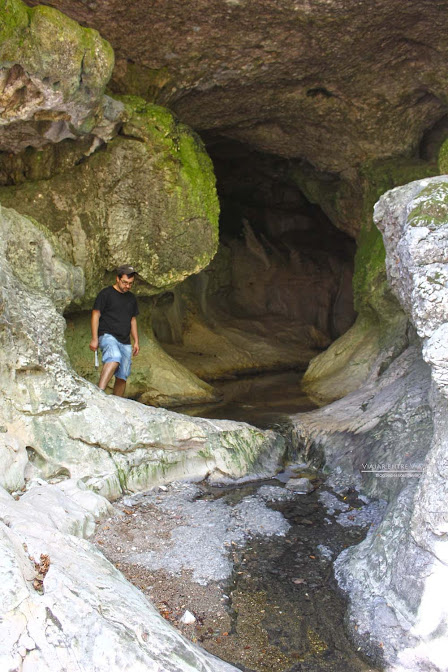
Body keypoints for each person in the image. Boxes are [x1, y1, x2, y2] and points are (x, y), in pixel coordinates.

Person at [89, 265, 140, 397]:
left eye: (130, 284)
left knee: (123, 375)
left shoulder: (131, 298)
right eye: (125, 282)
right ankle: (99, 394)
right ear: (117, 279)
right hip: (107, 335)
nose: (127, 286)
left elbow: (132, 320)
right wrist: (94, 338)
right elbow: (96, 315)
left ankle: (118, 402)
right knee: (114, 357)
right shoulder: (105, 294)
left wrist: (136, 341)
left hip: (125, 340)